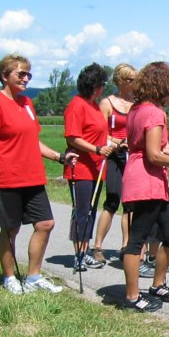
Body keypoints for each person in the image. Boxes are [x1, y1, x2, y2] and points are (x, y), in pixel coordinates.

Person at [0, 53, 73, 294]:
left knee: (45, 223)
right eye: (20, 74)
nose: (26, 78)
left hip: (32, 176)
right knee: (10, 229)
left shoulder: (26, 103)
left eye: (28, 74)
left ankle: (33, 277)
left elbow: (33, 141)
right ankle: (10, 278)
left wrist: (59, 156)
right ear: (4, 76)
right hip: (7, 177)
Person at [120, 61, 169, 311]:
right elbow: (153, 155)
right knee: (137, 240)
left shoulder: (136, 109)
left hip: (148, 179)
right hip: (147, 181)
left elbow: (146, 147)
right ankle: (132, 296)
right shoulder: (154, 113)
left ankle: (158, 284)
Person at [63, 62, 112, 271]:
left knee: (91, 210)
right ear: (94, 85)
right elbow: (73, 137)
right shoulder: (77, 105)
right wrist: (96, 149)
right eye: (101, 84)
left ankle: (85, 250)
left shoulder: (94, 105)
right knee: (82, 211)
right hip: (81, 168)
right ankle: (79, 254)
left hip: (96, 168)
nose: (103, 88)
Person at [93, 63, 137, 264]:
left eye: (135, 79)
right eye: (130, 79)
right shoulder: (107, 103)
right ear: (120, 81)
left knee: (130, 204)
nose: (134, 83)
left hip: (131, 156)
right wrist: (117, 142)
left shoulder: (136, 103)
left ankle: (126, 246)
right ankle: (97, 246)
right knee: (112, 199)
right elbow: (101, 133)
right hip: (114, 155)